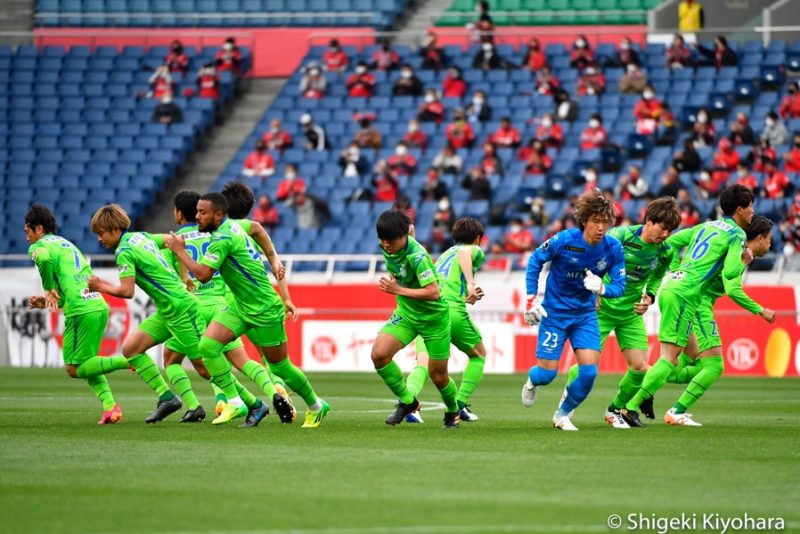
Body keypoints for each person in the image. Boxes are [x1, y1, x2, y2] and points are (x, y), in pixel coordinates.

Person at [165, 193, 330, 427]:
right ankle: (235, 401)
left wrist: (180, 251)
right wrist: (273, 259)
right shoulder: (233, 225)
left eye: (203, 212)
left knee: (279, 366)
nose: (197, 216)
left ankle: (315, 405)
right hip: (239, 306)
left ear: (219, 215)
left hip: (264, 308)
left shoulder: (222, 238)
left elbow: (202, 275)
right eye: (197, 211)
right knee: (208, 346)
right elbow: (257, 228)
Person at [619, 185, 769, 427]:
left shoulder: (707, 225)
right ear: (740, 209)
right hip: (687, 295)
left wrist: (678, 269)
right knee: (669, 359)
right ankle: (632, 406)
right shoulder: (737, 235)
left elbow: (672, 242)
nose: (753, 211)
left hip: (673, 287)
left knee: (677, 359)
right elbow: (730, 273)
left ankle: (644, 395)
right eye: (750, 206)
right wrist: (743, 260)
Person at [24, 204, 172, 424]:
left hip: (80, 311)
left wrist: (47, 288)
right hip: (96, 305)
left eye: (27, 232)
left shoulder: (40, 247)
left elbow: (43, 260)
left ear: (37, 228)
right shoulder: (66, 245)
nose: (26, 238)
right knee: (86, 363)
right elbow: (66, 292)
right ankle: (110, 407)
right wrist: (48, 301)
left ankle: (127, 362)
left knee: (74, 369)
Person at [87, 205, 224, 423]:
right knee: (131, 349)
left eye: (101, 233)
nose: (99, 239)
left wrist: (100, 285)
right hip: (167, 311)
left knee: (204, 366)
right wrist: (184, 275)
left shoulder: (124, 251)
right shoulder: (140, 237)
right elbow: (174, 242)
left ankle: (248, 402)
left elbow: (127, 291)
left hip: (181, 308)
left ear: (114, 229)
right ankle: (167, 397)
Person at [562, 197, 682, 428]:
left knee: (640, 368)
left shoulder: (666, 251)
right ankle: (567, 403)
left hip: (630, 314)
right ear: (648, 221)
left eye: (670, 230)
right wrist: (594, 291)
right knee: (589, 366)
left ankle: (614, 410)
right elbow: (592, 259)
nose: (666, 234)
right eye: (663, 228)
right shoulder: (621, 236)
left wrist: (650, 296)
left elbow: (657, 276)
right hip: (601, 309)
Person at [521, 190, 626, 431]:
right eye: (596, 222)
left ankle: (563, 414)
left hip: (585, 315)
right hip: (554, 314)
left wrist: (602, 288)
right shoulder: (563, 240)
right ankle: (531, 382)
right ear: (585, 221)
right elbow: (535, 260)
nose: (601, 228)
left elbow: (620, 286)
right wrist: (530, 299)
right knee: (546, 375)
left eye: (605, 222)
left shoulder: (613, 248)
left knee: (589, 372)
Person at [658, 216, 775, 425]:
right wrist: (760, 310)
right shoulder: (738, 252)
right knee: (714, 366)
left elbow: (672, 242)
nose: (771, 244)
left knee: (677, 365)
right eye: (769, 239)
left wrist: (677, 270)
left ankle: (641, 378)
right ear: (759, 238)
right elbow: (732, 288)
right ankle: (675, 411)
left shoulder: (729, 243)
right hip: (698, 304)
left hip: (689, 298)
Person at [370, 210, 460, 428]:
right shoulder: (389, 243)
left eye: (390, 239)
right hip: (407, 314)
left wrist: (397, 289)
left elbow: (433, 293)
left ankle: (453, 410)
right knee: (379, 355)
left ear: (403, 237)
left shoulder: (418, 258)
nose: (386, 244)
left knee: (438, 376)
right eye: (382, 239)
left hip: (433, 319)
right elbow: (408, 229)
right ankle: (409, 402)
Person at [401, 218, 488, 423]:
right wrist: (470, 284)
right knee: (478, 355)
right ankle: (460, 403)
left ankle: (410, 405)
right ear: (477, 239)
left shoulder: (443, 256)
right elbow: (466, 252)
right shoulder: (472, 249)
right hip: (452, 311)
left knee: (422, 364)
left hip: (431, 312)